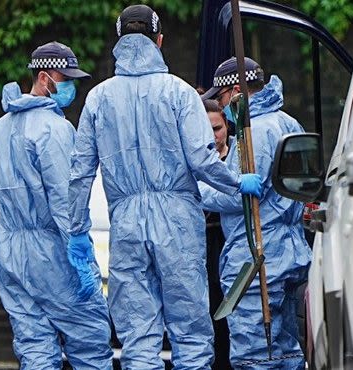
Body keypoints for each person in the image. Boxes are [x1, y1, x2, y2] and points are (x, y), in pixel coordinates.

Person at [67, 5, 262, 369]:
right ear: (159, 41)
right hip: (177, 222)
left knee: (138, 333)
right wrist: (238, 183)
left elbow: (80, 172)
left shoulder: (98, 98)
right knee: (189, 331)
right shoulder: (180, 93)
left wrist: (77, 230)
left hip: (125, 223)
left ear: (120, 43)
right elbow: (202, 162)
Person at [0, 41, 113, 369]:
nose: (70, 86)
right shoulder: (54, 129)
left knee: (34, 343)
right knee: (89, 336)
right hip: (50, 251)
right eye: (64, 78)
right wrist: (80, 250)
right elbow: (64, 198)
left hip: (10, 249)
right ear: (43, 77)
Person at [200, 57, 312, 369]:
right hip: (290, 255)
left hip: (258, 261)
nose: (223, 108)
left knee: (255, 357)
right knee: (288, 352)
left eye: (222, 99)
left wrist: (199, 192)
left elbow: (239, 197)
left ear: (236, 91)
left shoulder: (254, 131)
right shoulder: (287, 122)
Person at [202, 99, 233, 370]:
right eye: (208, 130)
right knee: (211, 313)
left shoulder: (237, 154)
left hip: (230, 240)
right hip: (204, 242)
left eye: (218, 128)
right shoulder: (197, 159)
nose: (214, 136)